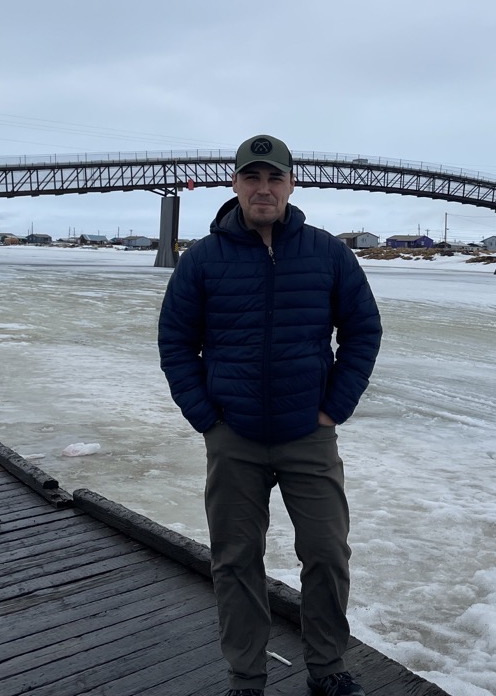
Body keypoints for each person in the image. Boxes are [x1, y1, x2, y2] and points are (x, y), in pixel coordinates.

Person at [159, 134, 383, 696]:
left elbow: (362, 332)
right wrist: (205, 414)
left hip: (308, 433)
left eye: (274, 178)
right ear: (234, 184)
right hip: (233, 436)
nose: (263, 189)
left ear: (290, 184)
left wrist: (335, 407)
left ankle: (328, 669)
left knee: (328, 555)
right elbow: (176, 341)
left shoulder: (328, 253)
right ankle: (247, 675)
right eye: (252, 178)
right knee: (236, 559)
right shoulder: (203, 260)